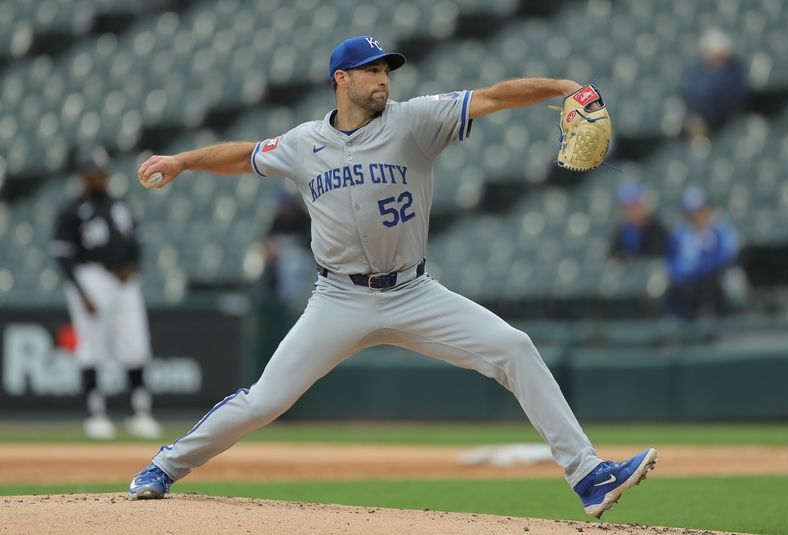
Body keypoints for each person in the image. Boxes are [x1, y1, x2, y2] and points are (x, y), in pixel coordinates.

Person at [128, 35, 656, 518]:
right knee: (266, 400)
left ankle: (588, 475)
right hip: (338, 297)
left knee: (514, 347)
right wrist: (183, 161)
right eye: (370, 70)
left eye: (387, 70)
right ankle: (165, 466)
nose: (383, 79)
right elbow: (244, 156)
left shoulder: (416, 120)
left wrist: (564, 88)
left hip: (414, 291)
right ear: (342, 79)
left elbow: (495, 96)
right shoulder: (303, 142)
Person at [50, 147, 162, 440]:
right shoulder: (71, 210)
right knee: (92, 347)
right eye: (93, 174)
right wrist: (81, 292)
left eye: (102, 173)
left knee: (135, 345)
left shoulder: (120, 205)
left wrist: (133, 266)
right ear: (83, 177)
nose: (99, 179)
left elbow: (136, 241)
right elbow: (64, 256)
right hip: (91, 277)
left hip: (123, 282)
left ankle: (140, 412)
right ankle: (95, 413)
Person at [665, 187, 740, 320]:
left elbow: (722, 257)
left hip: (712, 278)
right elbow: (672, 260)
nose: (696, 216)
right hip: (686, 282)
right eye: (691, 212)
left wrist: (698, 268)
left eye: (699, 211)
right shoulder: (680, 233)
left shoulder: (720, 229)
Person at [681, 27, 749, 137]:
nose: (717, 59)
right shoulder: (699, 73)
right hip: (698, 119)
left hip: (722, 122)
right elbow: (689, 92)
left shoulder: (734, 73)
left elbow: (732, 98)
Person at [256, 191, 315, 314]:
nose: (287, 210)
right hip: (282, 260)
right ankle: (280, 305)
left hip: (306, 260)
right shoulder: (277, 220)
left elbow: (309, 245)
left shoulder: (304, 218)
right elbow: (267, 244)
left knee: (292, 267)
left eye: (289, 206)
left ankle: (291, 306)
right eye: (284, 207)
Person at [609, 180, 669, 261]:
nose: (630, 211)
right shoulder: (623, 232)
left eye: (634, 206)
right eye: (626, 208)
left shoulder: (658, 230)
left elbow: (654, 259)